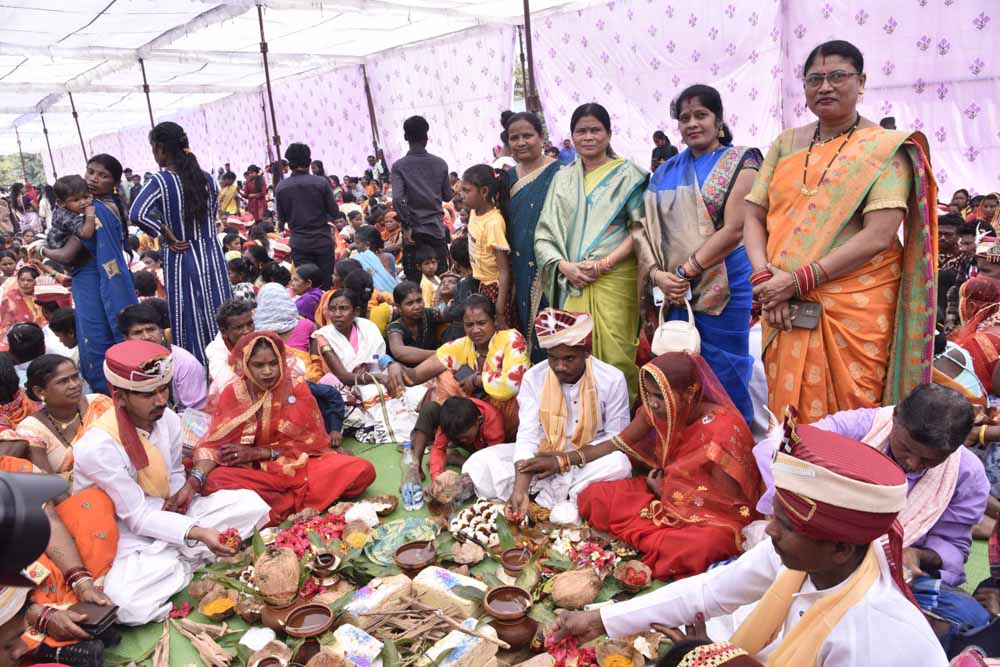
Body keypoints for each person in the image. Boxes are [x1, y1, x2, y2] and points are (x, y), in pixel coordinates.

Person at [550, 412, 948, 666]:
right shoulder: (811, 559)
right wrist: (599, 619)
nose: (769, 530)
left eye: (786, 525)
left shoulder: (871, 637)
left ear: (840, 548)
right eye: (776, 516)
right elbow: (711, 590)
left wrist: (719, 658)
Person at [744, 40, 937, 422]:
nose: (825, 87)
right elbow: (753, 216)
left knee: (850, 421)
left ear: (861, 82)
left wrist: (796, 282)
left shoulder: (884, 149)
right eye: (814, 79)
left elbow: (878, 235)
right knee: (789, 418)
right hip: (781, 303)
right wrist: (767, 282)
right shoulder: (786, 143)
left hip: (851, 311)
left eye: (837, 76)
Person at [753, 383, 987, 644]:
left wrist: (917, 555)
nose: (912, 463)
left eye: (929, 461)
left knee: (970, 616)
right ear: (895, 416)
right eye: (906, 448)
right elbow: (781, 452)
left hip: (895, 577)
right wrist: (818, 516)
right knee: (768, 582)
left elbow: (953, 545)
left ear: (956, 448)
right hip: (819, 553)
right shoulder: (860, 427)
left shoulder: (967, 474)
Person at [71, 340, 270, 624]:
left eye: (163, 389)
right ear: (120, 397)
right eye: (148, 394)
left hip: (170, 513)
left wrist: (183, 495)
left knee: (250, 504)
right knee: (126, 605)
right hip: (124, 533)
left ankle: (183, 554)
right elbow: (137, 517)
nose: (161, 400)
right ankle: (187, 555)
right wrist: (198, 533)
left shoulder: (168, 420)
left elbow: (175, 472)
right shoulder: (98, 447)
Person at [636, 85, 761, 424]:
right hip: (674, 291)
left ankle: (731, 441)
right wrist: (659, 276)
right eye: (685, 118)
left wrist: (685, 272)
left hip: (724, 285)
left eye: (701, 115)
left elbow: (735, 228)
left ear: (718, 120)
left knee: (725, 371)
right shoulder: (664, 172)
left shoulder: (742, 161)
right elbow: (645, 229)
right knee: (680, 369)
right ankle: (686, 443)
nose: (692, 123)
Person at [575, 351, 761, 579]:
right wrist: (562, 460)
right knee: (595, 496)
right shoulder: (659, 411)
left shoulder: (723, 429)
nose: (652, 403)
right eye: (649, 394)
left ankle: (656, 546)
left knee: (705, 546)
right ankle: (656, 545)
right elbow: (618, 442)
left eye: (660, 396)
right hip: (665, 494)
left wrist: (666, 491)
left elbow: (728, 503)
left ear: (689, 393)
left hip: (707, 518)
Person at [463, 308, 631, 522]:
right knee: (480, 462)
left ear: (586, 352)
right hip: (543, 455)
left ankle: (559, 497)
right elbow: (528, 436)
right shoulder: (534, 377)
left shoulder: (612, 379)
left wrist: (563, 461)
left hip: (587, 459)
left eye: (569, 358)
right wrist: (520, 488)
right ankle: (556, 497)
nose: (559, 366)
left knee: (619, 463)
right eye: (553, 358)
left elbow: (616, 439)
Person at [193, 332, 374, 525]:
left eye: (273, 363)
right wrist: (195, 479)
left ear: (281, 361)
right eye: (259, 365)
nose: (268, 371)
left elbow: (313, 444)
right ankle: (289, 502)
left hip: (298, 466)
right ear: (246, 365)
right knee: (215, 479)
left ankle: (276, 505)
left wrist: (262, 452)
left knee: (363, 470)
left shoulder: (296, 388)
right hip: (256, 474)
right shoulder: (234, 393)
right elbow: (214, 445)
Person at [535, 103, 648, 398]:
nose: (588, 137)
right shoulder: (562, 179)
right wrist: (564, 267)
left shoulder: (629, 175)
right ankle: (580, 418)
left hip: (616, 277)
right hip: (572, 280)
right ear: (572, 136)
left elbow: (640, 229)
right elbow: (544, 234)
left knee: (618, 356)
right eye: (581, 131)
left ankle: (620, 418)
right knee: (572, 354)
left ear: (608, 134)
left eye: (595, 130)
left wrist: (603, 264)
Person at [130, 121, 232, 368]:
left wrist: (165, 232)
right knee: (219, 307)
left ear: (161, 149)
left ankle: (197, 369)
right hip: (211, 254)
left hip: (181, 254)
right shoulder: (208, 179)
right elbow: (211, 216)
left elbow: (136, 213)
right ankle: (227, 363)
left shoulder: (161, 181)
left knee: (189, 314)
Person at [388, 295, 528, 442]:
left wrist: (476, 380)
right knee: (445, 378)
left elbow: (512, 386)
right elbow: (414, 376)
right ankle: (466, 438)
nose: (475, 330)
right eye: (469, 325)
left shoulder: (511, 339)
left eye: (482, 323)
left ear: (494, 321)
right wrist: (394, 366)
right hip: (477, 422)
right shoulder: (460, 346)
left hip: (513, 421)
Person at [503, 112, 560, 362]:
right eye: (514, 138)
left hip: (555, 266)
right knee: (528, 325)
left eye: (527, 135)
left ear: (541, 137)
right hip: (519, 266)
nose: (521, 142)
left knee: (557, 327)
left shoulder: (562, 173)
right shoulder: (507, 178)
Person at [18, 354, 113, 478]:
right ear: (40, 391)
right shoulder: (31, 429)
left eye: (75, 377)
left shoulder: (100, 404)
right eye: (63, 381)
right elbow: (47, 482)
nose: (74, 385)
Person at [390, 115, 452, 283]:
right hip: (436, 229)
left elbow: (398, 199)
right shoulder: (440, 163)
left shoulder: (399, 166)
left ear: (405, 137)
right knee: (440, 279)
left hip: (413, 233)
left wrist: (407, 224)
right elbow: (447, 195)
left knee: (415, 282)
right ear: (426, 138)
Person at [117, 303, 207, 411]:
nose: (146, 337)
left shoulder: (184, 364)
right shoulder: (122, 364)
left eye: (151, 329)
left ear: (161, 331)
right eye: (138, 332)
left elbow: (199, 413)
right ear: (126, 338)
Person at [274, 143, 339, 289]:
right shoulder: (321, 182)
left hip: (299, 243)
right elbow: (334, 212)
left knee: (305, 287)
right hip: (322, 240)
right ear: (309, 162)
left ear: (289, 164)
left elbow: (282, 218)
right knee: (325, 284)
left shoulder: (281, 187)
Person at [463, 164, 514, 329]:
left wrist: (499, 311)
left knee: (497, 333)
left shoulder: (493, 223)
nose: (461, 195)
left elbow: (504, 271)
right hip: (482, 284)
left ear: (484, 192)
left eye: (466, 190)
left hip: (495, 289)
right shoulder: (474, 212)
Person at [428, 395, 504, 485]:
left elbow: (492, 461)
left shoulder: (494, 423)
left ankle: (455, 458)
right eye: (457, 438)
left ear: (479, 420)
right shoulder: (449, 421)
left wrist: (464, 463)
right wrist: (437, 477)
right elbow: (438, 448)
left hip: (490, 445)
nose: (462, 440)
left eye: (464, 437)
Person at [204, 298, 255, 393]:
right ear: (224, 332)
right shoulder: (216, 353)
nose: (247, 331)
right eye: (239, 327)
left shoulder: (260, 337)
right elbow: (226, 386)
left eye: (250, 324)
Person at [45, 176, 96, 270]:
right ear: (61, 203)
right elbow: (86, 234)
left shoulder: (62, 210)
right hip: (60, 251)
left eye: (85, 197)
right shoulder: (66, 216)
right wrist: (90, 215)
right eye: (76, 200)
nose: (83, 202)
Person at [387, 281, 440, 365]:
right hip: (406, 371)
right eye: (410, 303)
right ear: (399, 307)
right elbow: (399, 352)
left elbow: (450, 315)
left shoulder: (429, 314)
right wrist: (440, 354)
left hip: (433, 367)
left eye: (419, 301)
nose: (417, 306)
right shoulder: (395, 327)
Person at [0, 266, 47, 345]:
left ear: (36, 281)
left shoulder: (42, 296)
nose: (25, 283)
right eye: (22, 280)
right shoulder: (10, 298)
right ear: (18, 280)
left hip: (43, 336)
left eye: (29, 280)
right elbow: (5, 324)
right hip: (16, 338)